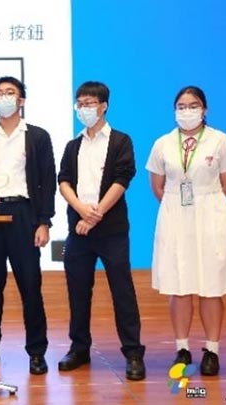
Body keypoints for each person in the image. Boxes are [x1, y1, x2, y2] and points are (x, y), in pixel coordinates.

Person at [145, 85, 226, 376]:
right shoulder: (162, 143)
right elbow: (157, 186)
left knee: (211, 286)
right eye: (181, 106)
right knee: (179, 285)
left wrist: (204, 204)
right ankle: (182, 348)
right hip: (175, 215)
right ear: (174, 111)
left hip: (211, 213)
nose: (187, 111)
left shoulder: (221, 140)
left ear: (204, 109)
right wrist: (180, 206)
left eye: (193, 105)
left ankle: (212, 350)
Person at [0, 76, 56, 375]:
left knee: (30, 285)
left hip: (23, 214)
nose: (3, 97)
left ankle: (37, 351)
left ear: (21, 100)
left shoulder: (37, 136)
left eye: (10, 92)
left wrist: (44, 222)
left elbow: (47, 181)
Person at [57, 81, 146, 380]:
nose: (84, 108)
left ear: (104, 106)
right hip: (78, 230)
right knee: (77, 291)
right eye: (80, 103)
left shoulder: (121, 141)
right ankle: (79, 348)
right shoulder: (73, 145)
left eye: (90, 103)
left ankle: (133, 352)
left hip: (112, 230)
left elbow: (122, 179)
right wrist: (81, 210)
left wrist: (95, 216)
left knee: (122, 291)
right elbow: (63, 181)